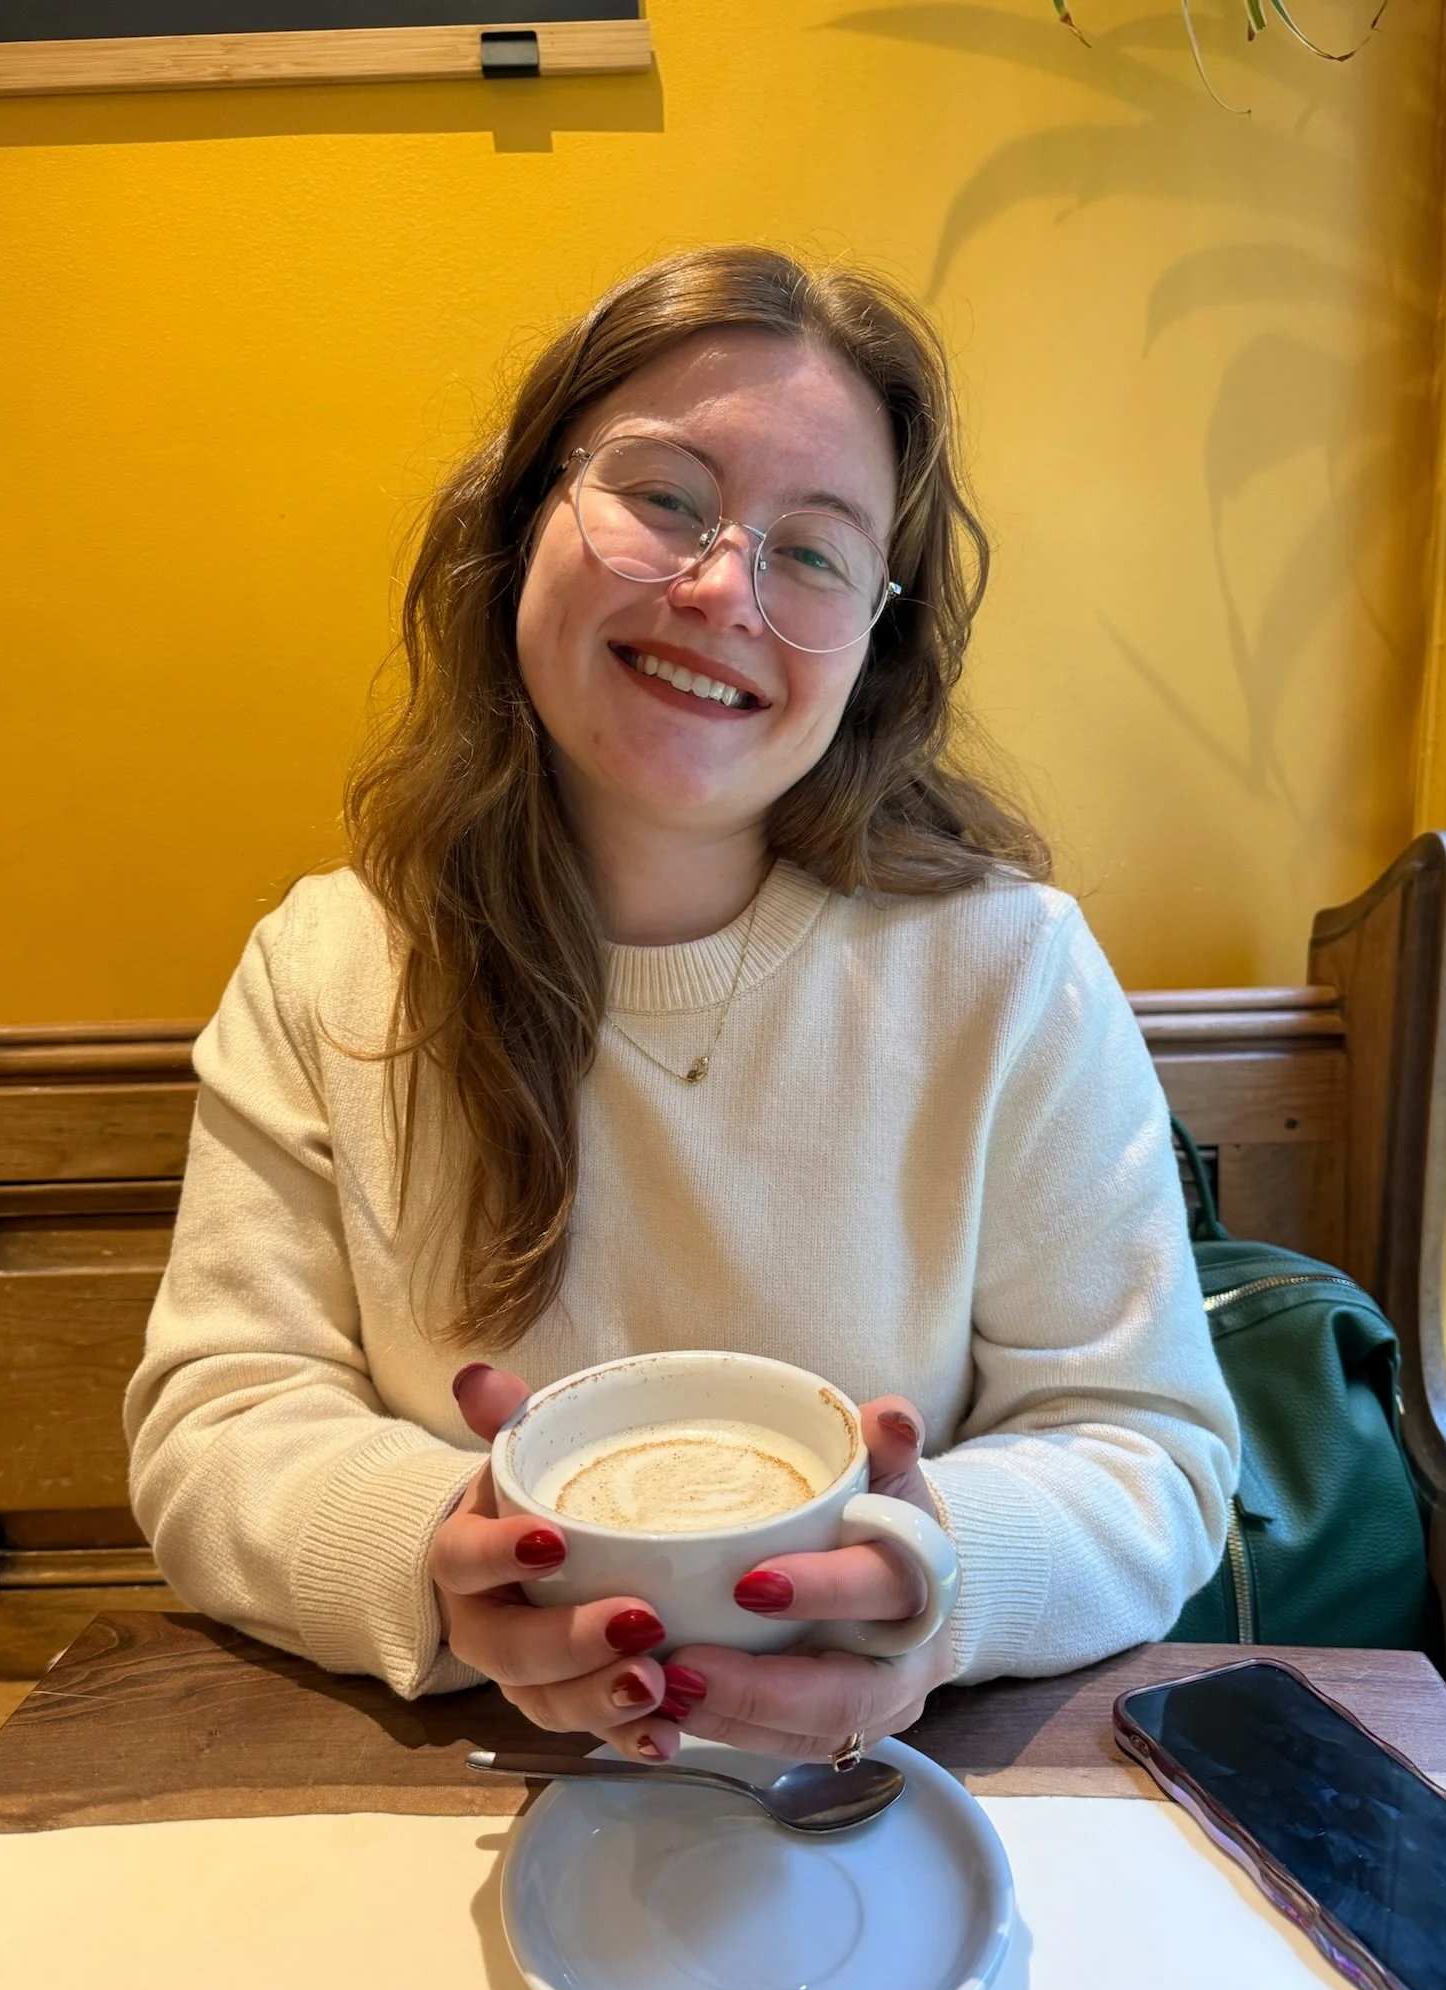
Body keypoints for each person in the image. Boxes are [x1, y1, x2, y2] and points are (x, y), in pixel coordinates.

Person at [125, 246, 1238, 1767]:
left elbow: (1149, 1450)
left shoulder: (1008, 970)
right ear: (522, 522)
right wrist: (446, 1556)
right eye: (662, 498)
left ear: (875, 642)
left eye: (815, 551)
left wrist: (938, 1572)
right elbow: (218, 1423)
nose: (724, 588)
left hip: (891, 1791)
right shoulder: (331, 972)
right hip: (460, 1783)